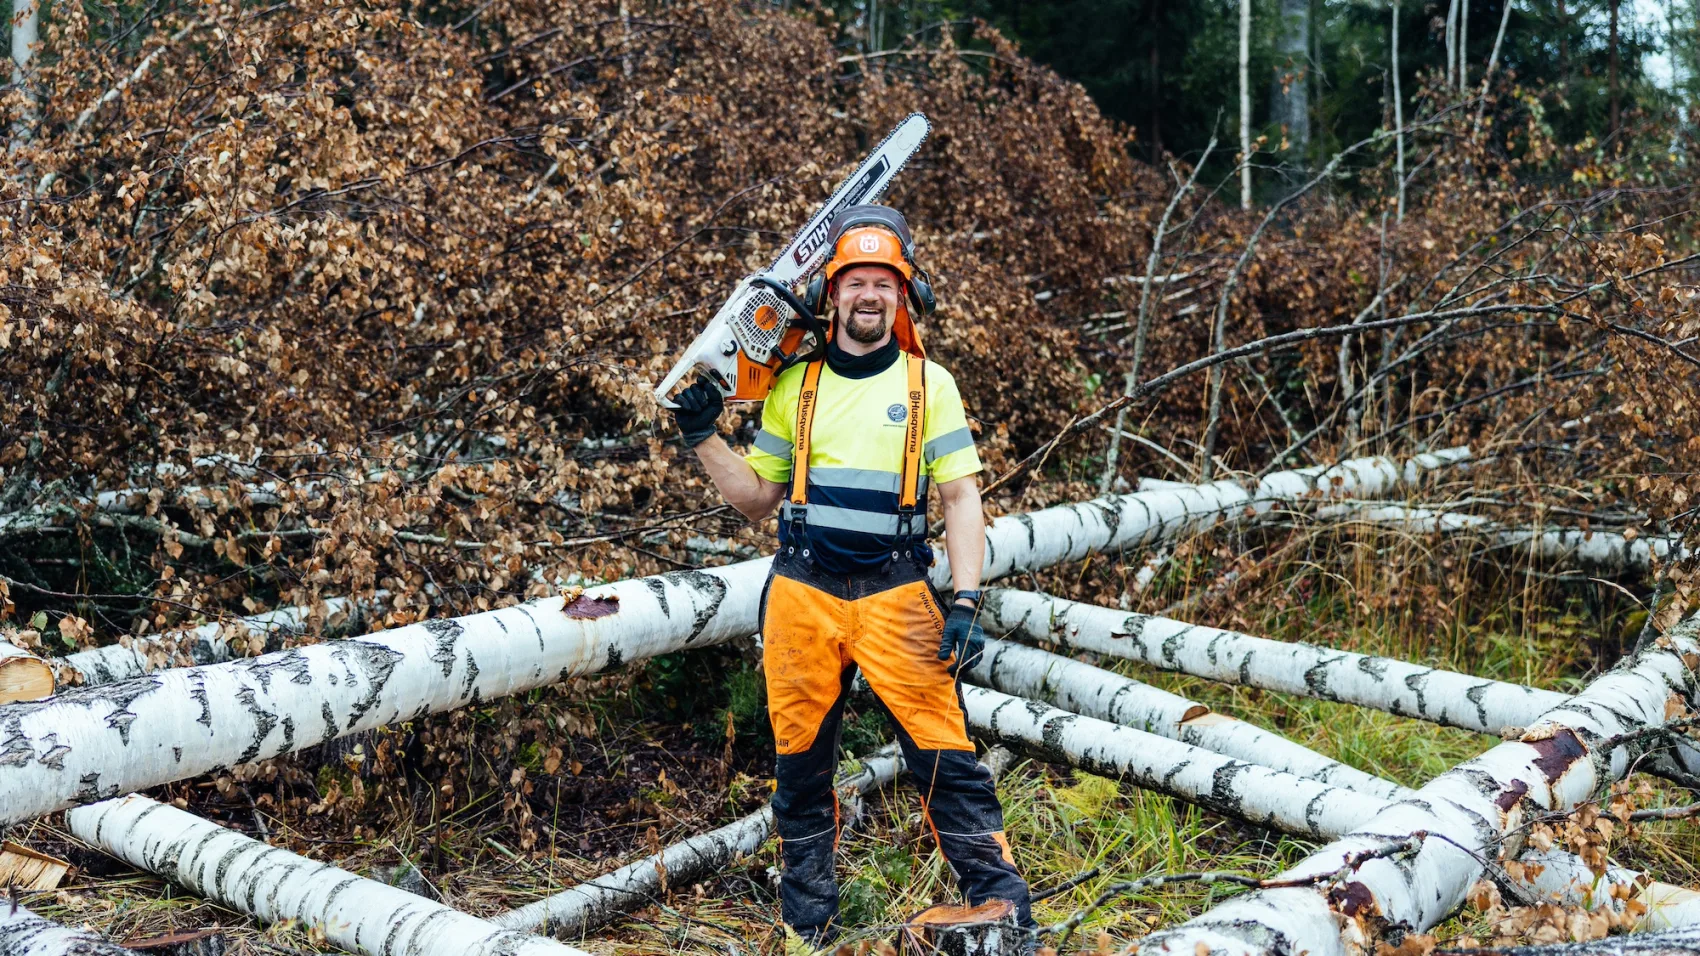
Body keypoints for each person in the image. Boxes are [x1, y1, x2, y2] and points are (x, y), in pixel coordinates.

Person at [667, 205, 1033, 946]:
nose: (870, 296)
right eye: (856, 282)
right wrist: (702, 434)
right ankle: (810, 925)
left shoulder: (932, 385)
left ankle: (1002, 908)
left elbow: (961, 496)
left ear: (904, 297)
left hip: (899, 590)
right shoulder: (795, 386)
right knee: (800, 763)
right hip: (803, 590)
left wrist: (966, 598)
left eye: (884, 284)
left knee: (945, 754)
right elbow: (755, 502)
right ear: (830, 294)